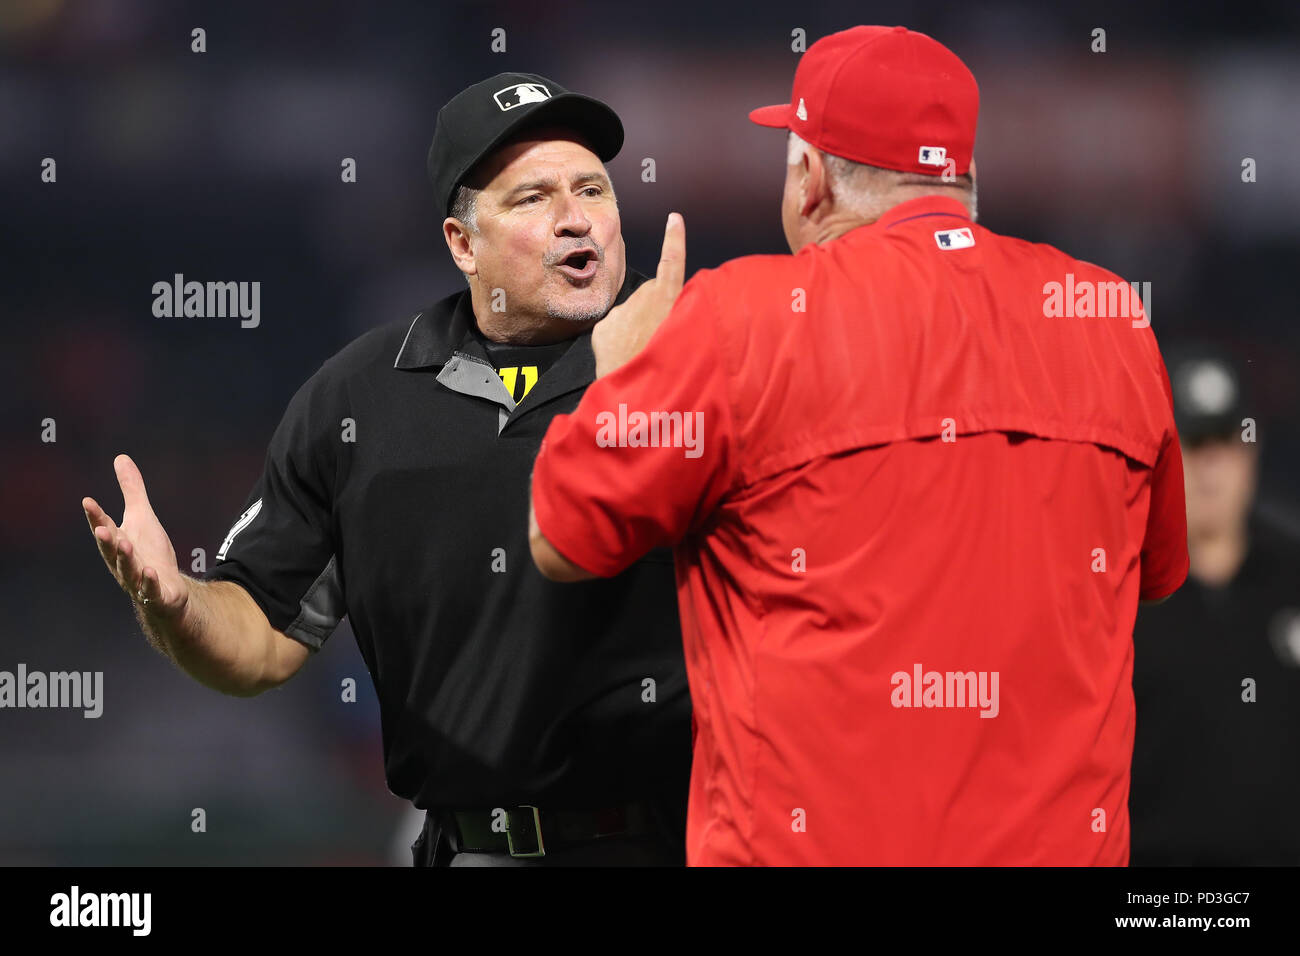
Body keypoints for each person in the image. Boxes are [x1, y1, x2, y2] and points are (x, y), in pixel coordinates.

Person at [528, 26, 1188, 865]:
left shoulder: (743, 319)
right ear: (965, 176)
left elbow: (561, 540)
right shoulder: (1106, 314)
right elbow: (1153, 578)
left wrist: (618, 376)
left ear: (810, 180)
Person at [81, 72, 692, 866]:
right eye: (532, 198)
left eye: (592, 189)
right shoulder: (358, 399)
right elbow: (260, 639)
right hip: (464, 851)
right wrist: (174, 603)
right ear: (462, 243)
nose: (577, 220)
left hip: (671, 846)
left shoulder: (699, 361)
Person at [1130, 346, 1300, 865]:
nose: (1211, 466)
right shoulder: (1125, 594)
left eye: (1226, 440)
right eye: (1194, 442)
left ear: (1251, 449)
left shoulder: (1293, 578)